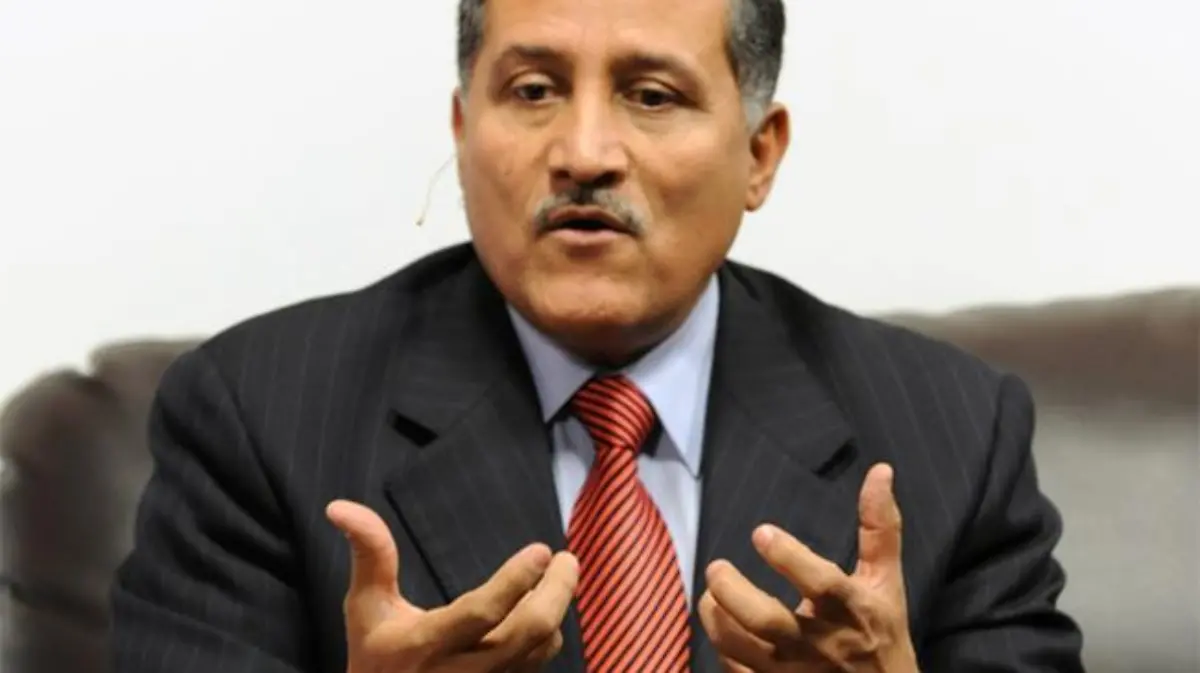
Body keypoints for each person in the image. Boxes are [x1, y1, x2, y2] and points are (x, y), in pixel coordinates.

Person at [110, 0, 1085, 670]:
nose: (583, 153)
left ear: (759, 153)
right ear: (462, 129)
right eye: (533, 89)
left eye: (651, 95)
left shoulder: (954, 434)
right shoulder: (257, 417)